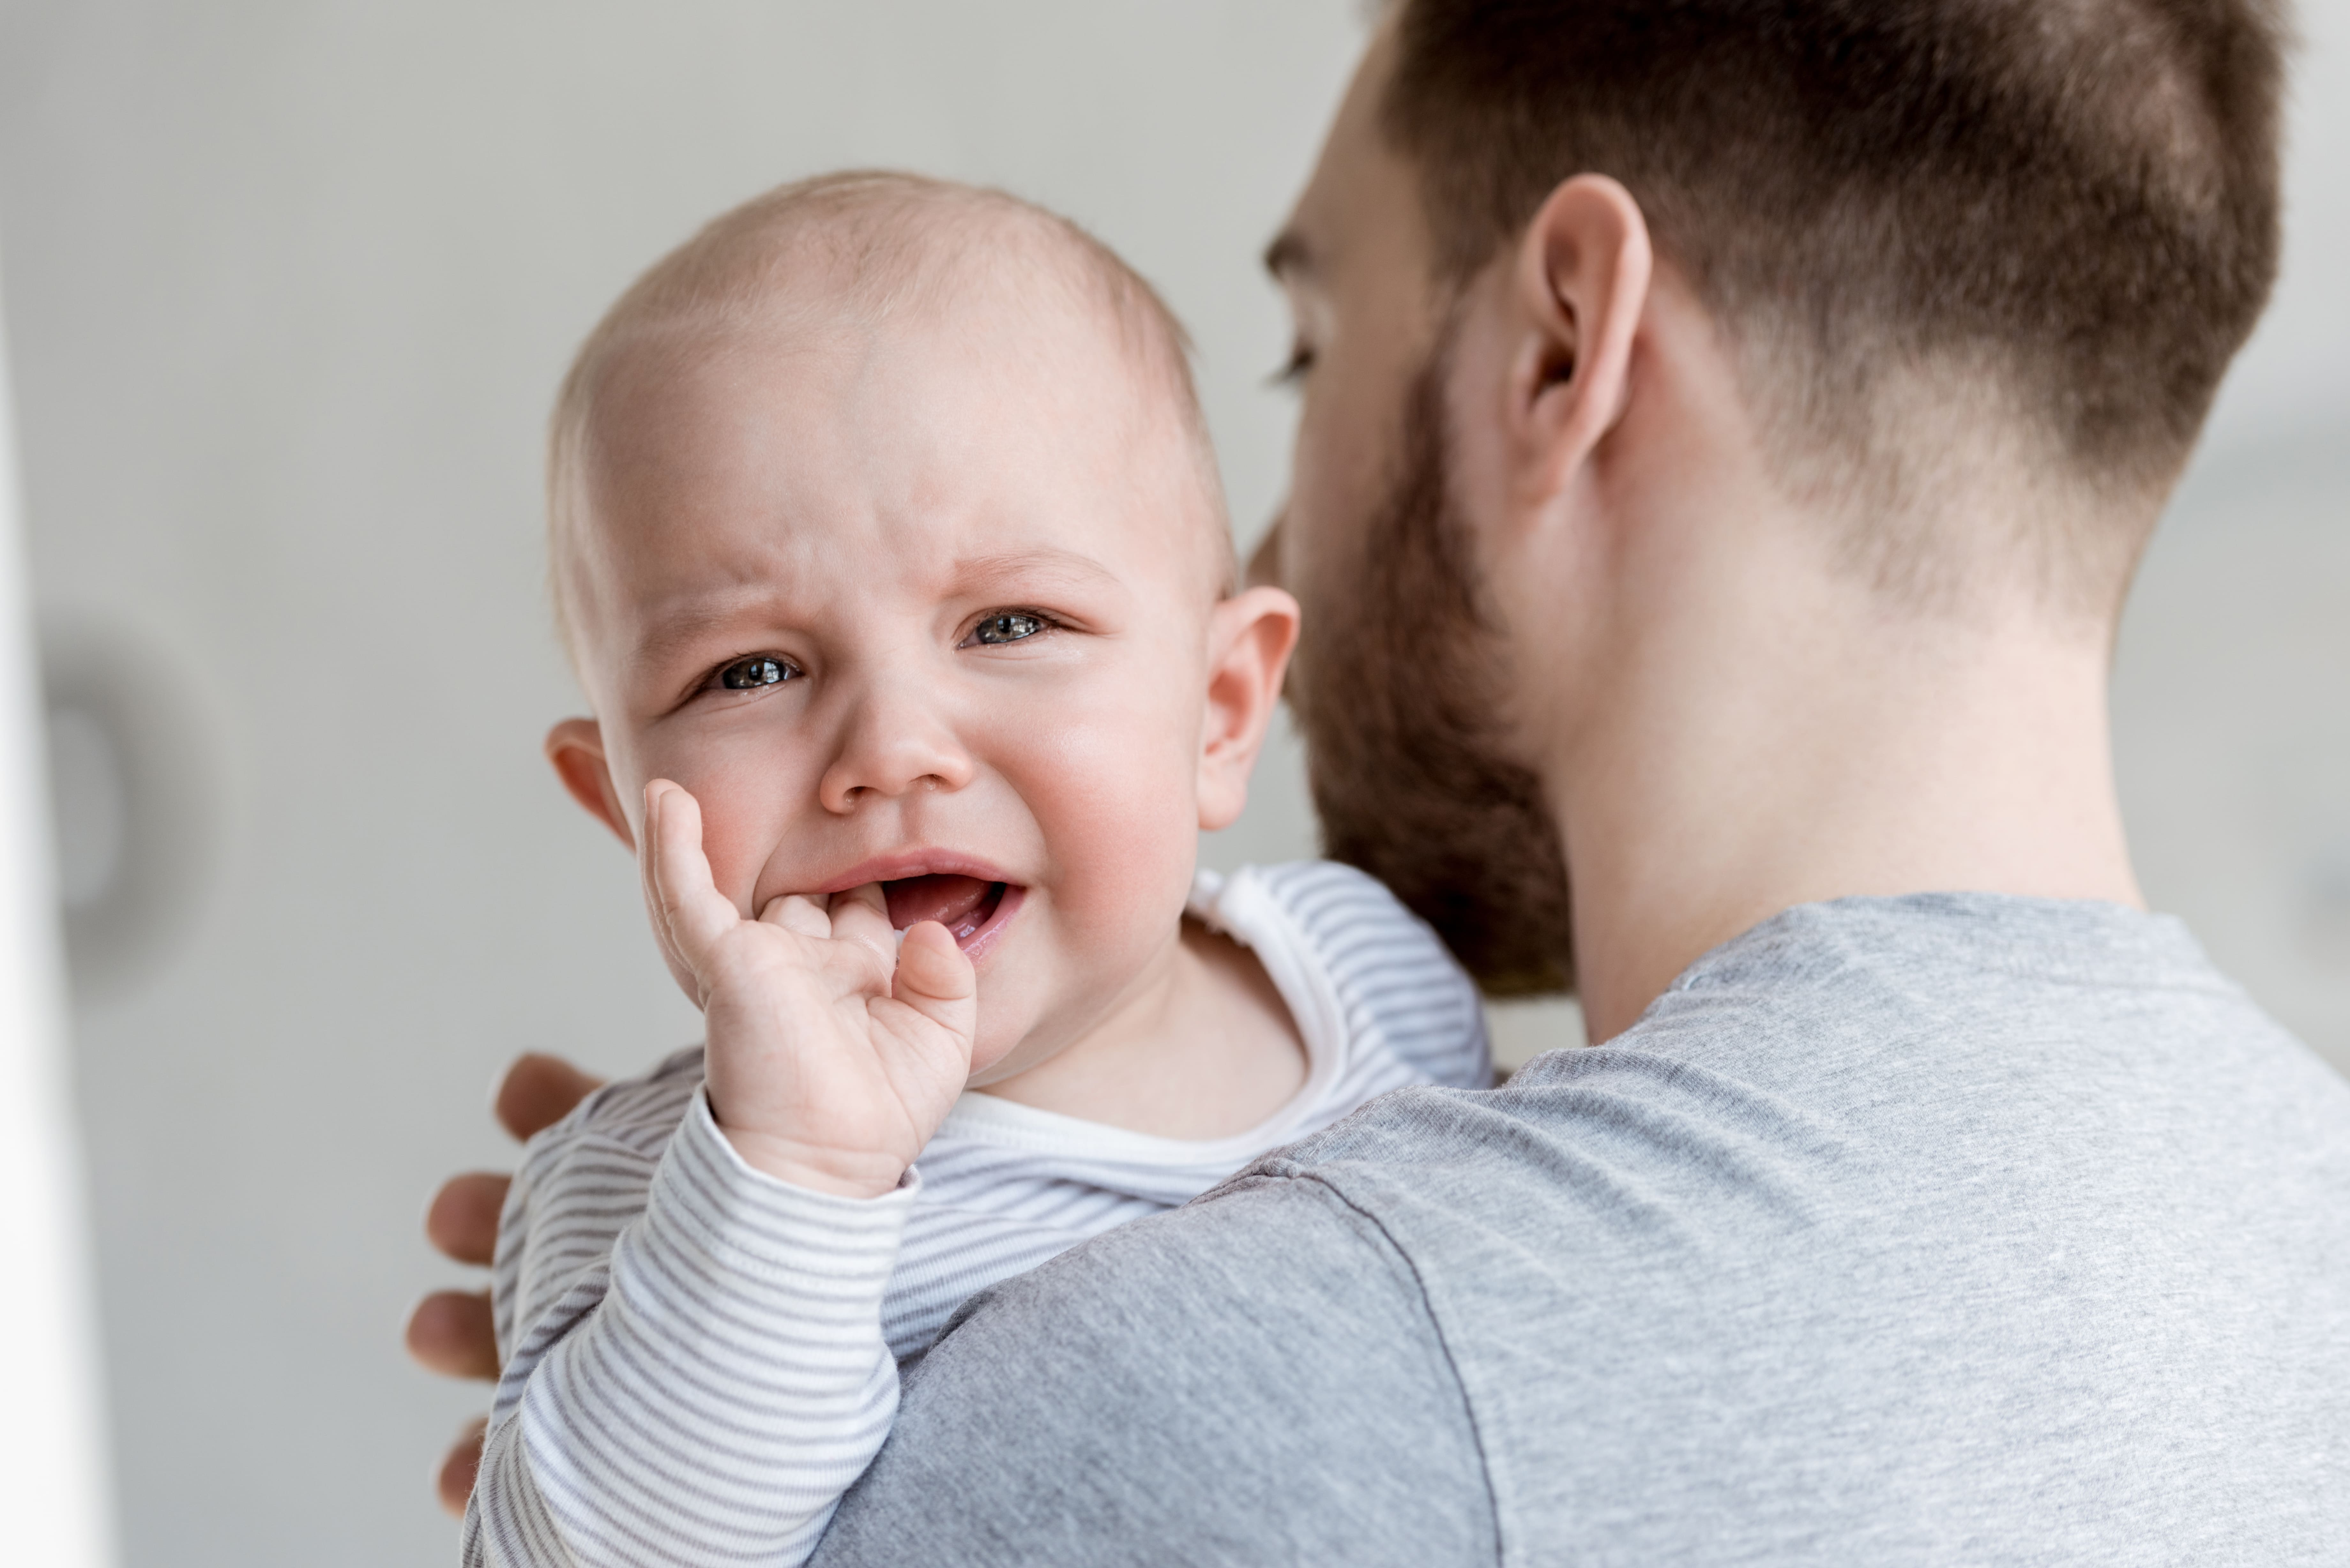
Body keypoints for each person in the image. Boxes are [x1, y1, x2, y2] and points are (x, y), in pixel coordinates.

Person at [413, 0, 2350, 1559]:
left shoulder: (1273, 1384)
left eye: (1306, 346)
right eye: (752, 670)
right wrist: (731, 1252)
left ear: (1560, 347)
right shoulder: (2302, 1224)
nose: (1281, 531)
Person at [459, 171, 1490, 1568]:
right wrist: (797, 1176)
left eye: (1009, 622)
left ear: (1220, 710)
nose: (891, 749)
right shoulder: (659, 1191)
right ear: (625, 813)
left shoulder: (1370, 973)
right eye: (748, 670)